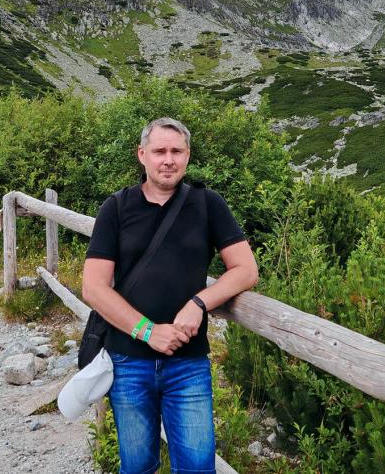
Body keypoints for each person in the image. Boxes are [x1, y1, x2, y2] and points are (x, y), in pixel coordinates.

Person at [82, 117, 259, 474]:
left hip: (188, 362)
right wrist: (149, 331)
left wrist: (199, 303)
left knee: (196, 467)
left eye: (176, 151)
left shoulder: (208, 204)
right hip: (128, 361)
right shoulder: (115, 208)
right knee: (137, 466)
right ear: (142, 155)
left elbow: (246, 269)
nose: (168, 159)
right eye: (160, 151)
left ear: (188, 156)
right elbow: (93, 287)